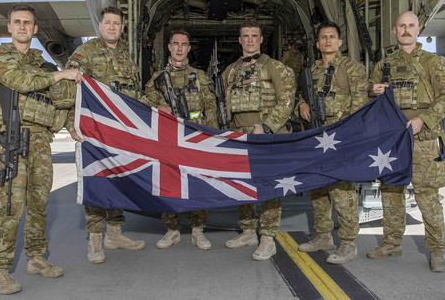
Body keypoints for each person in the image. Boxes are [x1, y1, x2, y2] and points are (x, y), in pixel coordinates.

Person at [0, 4, 82, 295]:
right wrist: (62, 75)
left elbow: (63, 99)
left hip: (40, 140)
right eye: (18, 22)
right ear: (9, 28)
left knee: (40, 203)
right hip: (12, 138)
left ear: (35, 29)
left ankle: (36, 258)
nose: (23, 27)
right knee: (10, 206)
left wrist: (70, 125)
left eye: (28, 23)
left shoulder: (44, 64)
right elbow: (20, 81)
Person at [367, 11, 445, 272]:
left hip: (424, 141)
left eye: (410, 26)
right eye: (401, 26)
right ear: (394, 31)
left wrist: (424, 119)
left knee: (427, 195)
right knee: (391, 194)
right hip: (393, 142)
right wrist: (372, 91)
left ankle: (437, 249)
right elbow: (371, 101)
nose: (406, 30)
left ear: (418, 30)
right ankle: (392, 243)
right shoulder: (383, 66)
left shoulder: (433, 62)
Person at [65, 6, 146, 264]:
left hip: (121, 134)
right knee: (97, 181)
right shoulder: (85, 52)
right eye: (108, 23)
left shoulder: (126, 57)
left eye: (116, 23)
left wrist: (153, 110)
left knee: (120, 179)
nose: (112, 27)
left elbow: (133, 93)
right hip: (95, 132)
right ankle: (96, 239)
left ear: (122, 28)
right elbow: (69, 87)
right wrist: (71, 123)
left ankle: (115, 233)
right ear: (100, 26)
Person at [296, 21, 368, 264]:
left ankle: (348, 243)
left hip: (341, 138)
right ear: (317, 44)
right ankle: (323, 236)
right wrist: (302, 105)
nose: (327, 41)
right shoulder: (311, 72)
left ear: (339, 42)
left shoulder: (352, 69)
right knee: (318, 189)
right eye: (323, 38)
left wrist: (348, 135)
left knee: (342, 192)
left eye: (331, 37)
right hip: (316, 137)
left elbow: (359, 104)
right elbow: (301, 97)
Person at [222, 21, 295, 260]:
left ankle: (268, 236)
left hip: (268, 137)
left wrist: (266, 127)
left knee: (269, 186)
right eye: (246, 36)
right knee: (243, 184)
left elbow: (287, 102)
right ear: (239, 40)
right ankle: (247, 231)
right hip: (240, 136)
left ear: (261, 39)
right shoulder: (230, 71)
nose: (250, 40)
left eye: (254, 36)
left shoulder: (275, 67)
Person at [144, 29, 217, 250]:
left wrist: (211, 137)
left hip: (196, 140)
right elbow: (143, 103)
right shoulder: (157, 80)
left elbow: (211, 107)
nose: (179, 48)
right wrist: (158, 106)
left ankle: (198, 230)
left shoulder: (200, 77)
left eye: (183, 44)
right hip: (169, 142)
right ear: (169, 47)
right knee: (169, 183)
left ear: (188, 48)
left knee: (197, 184)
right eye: (175, 43)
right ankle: (172, 229)